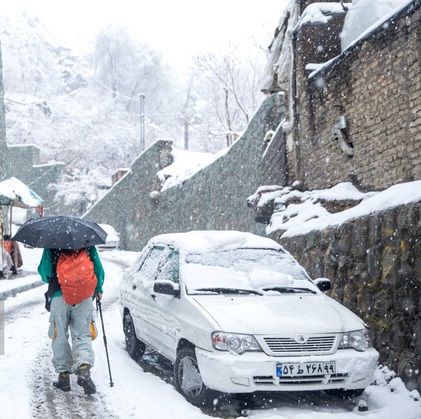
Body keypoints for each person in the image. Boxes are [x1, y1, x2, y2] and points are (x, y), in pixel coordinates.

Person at [38, 245, 105, 395]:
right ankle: (84, 369)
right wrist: (98, 288)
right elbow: (98, 270)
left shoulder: (52, 245)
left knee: (59, 335)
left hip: (59, 295)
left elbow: (44, 273)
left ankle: (64, 377)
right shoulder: (87, 243)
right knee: (82, 334)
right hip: (84, 294)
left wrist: (61, 276)